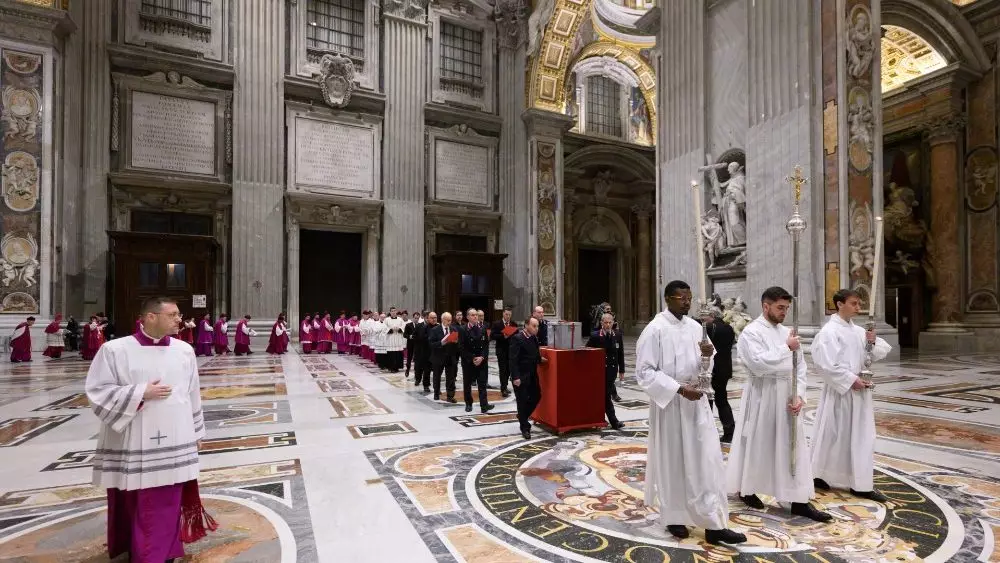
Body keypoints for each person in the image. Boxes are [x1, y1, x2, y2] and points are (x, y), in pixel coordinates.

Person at [85, 296, 216, 562]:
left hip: (176, 438)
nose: (180, 319)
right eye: (173, 314)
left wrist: (197, 431)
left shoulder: (184, 350)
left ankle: (161, 552)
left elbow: (192, 393)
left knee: (167, 498)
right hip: (133, 440)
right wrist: (140, 392)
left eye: (179, 314)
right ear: (150, 317)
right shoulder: (115, 350)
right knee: (135, 498)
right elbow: (97, 392)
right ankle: (139, 548)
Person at [635, 280, 747, 545]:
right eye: (681, 298)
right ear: (668, 299)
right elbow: (645, 372)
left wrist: (707, 355)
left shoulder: (697, 327)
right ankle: (675, 516)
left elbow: (704, 365)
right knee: (674, 461)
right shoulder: (655, 330)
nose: (687, 302)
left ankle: (713, 522)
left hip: (696, 404)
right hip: (671, 405)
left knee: (706, 460)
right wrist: (678, 389)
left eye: (689, 298)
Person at [729, 286, 832, 522]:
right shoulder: (751, 333)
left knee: (793, 447)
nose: (784, 312)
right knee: (759, 443)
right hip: (763, 395)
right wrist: (786, 347)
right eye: (780, 307)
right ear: (766, 306)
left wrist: (800, 395)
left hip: (788, 395)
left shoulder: (788, 332)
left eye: (787, 308)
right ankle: (748, 488)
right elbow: (757, 364)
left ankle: (799, 500)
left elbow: (801, 367)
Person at [811, 288, 892, 502]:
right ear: (840, 304)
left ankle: (860, 483)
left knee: (861, 436)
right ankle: (819, 474)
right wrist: (850, 380)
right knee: (832, 434)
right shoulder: (829, 332)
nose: (859, 308)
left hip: (859, 390)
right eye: (854, 303)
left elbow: (874, 354)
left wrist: (872, 342)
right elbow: (825, 364)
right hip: (840, 392)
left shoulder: (857, 331)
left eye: (859, 303)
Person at [585, 312, 624, 430]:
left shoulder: (617, 335)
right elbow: (587, 351)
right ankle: (613, 421)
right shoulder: (595, 336)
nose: (607, 325)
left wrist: (621, 370)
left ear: (613, 323)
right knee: (605, 395)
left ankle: (601, 419)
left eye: (610, 322)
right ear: (601, 323)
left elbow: (620, 353)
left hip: (612, 370)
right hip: (600, 371)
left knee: (605, 395)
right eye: (605, 322)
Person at [703, 309, 736, 442]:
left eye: (705, 317)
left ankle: (707, 431)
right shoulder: (729, 328)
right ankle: (729, 432)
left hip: (712, 369)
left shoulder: (710, 328)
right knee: (722, 400)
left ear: (712, 316)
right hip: (725, 369)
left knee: (708, 400)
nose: (703, 320)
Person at [510, 317, 544, 439]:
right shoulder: (517, 338)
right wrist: (515, 377)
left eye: (537, 326)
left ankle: (522, 416)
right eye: (534, 326)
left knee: (537, 396)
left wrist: (540, 360)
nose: (536, 329)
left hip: (532, 374)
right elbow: (513, 360)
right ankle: (525, 428)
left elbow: (535, 354)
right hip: (521, 376)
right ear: (526, 325)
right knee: (522, 401)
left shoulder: (534, 338)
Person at [458, 309, 494, 414]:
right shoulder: (463, 329)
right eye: (473, 315)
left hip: (481, 361)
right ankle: (468, 403)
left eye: (476, 315)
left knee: (482, 383)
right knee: (467, 383)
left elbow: (486, 345)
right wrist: (473, 358)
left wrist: (482, 357)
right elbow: (461, 347)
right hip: (469, 361)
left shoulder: (483, 328)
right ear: (468, 317)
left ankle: (484, 405)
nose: (475, 317)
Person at [428, 312, 460, 403]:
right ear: (442, 320)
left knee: (451, 377)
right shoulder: (435, 330)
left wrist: (456, 342)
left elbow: (458, 344)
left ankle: (450, 396)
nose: (449, 322)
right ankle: (436, 393)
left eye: (450, 320)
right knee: (437, 376)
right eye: (448, 320)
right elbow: (431, 344)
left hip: (450, 356)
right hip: (438, 357)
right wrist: (441, 343)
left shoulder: (454, 329)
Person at [491, 307, 518, 397]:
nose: (508, 316)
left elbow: (517, 335)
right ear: (503, 314)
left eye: (509, 315)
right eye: (506, 314)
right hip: (501, 350)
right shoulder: (497, 324)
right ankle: (503, 389)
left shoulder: (514, 324)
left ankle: (505, 386)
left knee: (509, 370)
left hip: (511, 350)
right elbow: (492, 335)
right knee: (503, 370)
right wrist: (503, 336)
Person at [412, 312, 432, 392]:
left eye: (429, 318)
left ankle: (426, 385)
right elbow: (414, 336)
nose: (428, 319)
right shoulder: (419, 326)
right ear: (423, 317)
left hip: (428, 351)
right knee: (418, 368)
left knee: (427, 369)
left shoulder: (433, 326)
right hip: (419, 350)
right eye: (427, 317)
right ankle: (417, 379)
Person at [384, 307, 407, 373]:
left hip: (398, 338)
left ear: (396, 312)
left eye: (394, 311)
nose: (393, 312)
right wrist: (391, 329)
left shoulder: (400, 319)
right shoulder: (386, 320)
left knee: (398, 353)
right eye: (392, 311)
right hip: (390, 338)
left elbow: (403, 327)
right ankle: (391, 367)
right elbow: (384, 328)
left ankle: (397, 367)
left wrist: (399, 329)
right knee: (391, 354)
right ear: (390, 312)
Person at [404, 311, 421, 377]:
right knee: (409, 358)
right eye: (415, 318)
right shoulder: (408, 325)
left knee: (417, 359)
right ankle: (407, 369)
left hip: (418, 345)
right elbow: (404, 334)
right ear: (413, 318)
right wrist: (410, 336)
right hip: (410, 344)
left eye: (417, 318)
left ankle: (416, 371)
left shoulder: (420, 325)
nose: (416, 319)